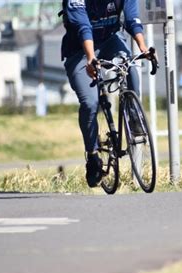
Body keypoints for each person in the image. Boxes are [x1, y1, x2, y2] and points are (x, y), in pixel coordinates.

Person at [61, 0, 153, 187]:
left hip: (110, 40)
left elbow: (132, 20)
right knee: (90, 103)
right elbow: (83, 27)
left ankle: (134, 117)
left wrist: (143, 48)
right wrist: (90, 57)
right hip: (79, 49)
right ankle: (93, 156)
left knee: (129, 67)